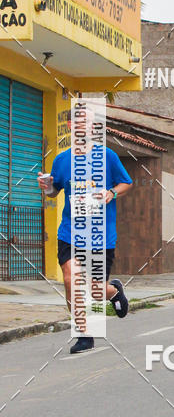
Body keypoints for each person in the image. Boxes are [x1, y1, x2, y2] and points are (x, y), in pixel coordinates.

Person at [38, 106, 132, 354]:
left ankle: (113, 292)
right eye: (80, 122)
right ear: (71, 126)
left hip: (101, 234)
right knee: (71, 280)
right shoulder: (62, 160)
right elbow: (54, 191)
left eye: (89, 123)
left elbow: (126, 183)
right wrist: (46, 187)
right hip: (70, 232)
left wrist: (111, 193)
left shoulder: (108, 156)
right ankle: (83, 334)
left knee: (95, 289)